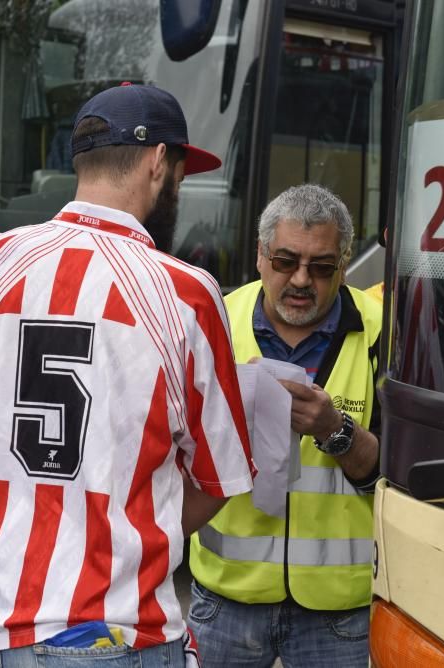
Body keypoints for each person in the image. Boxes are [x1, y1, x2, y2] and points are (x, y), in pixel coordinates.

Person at [0, 83, 255, 666]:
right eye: (181, 169)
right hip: (114, 633)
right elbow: (218, 477)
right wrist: (126, 521)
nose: (179, 184)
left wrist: (6, 488)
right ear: (159, 161)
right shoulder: (186, 295)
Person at [188, 184, 382, 668]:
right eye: (285, 261)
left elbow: (396, 477)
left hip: (339, 611)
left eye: (320, 268)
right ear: (260, 256)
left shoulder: (383, 330)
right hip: (225, 600)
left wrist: (336, 430)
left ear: (344, 262)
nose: (301, 280)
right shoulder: (209, 322)